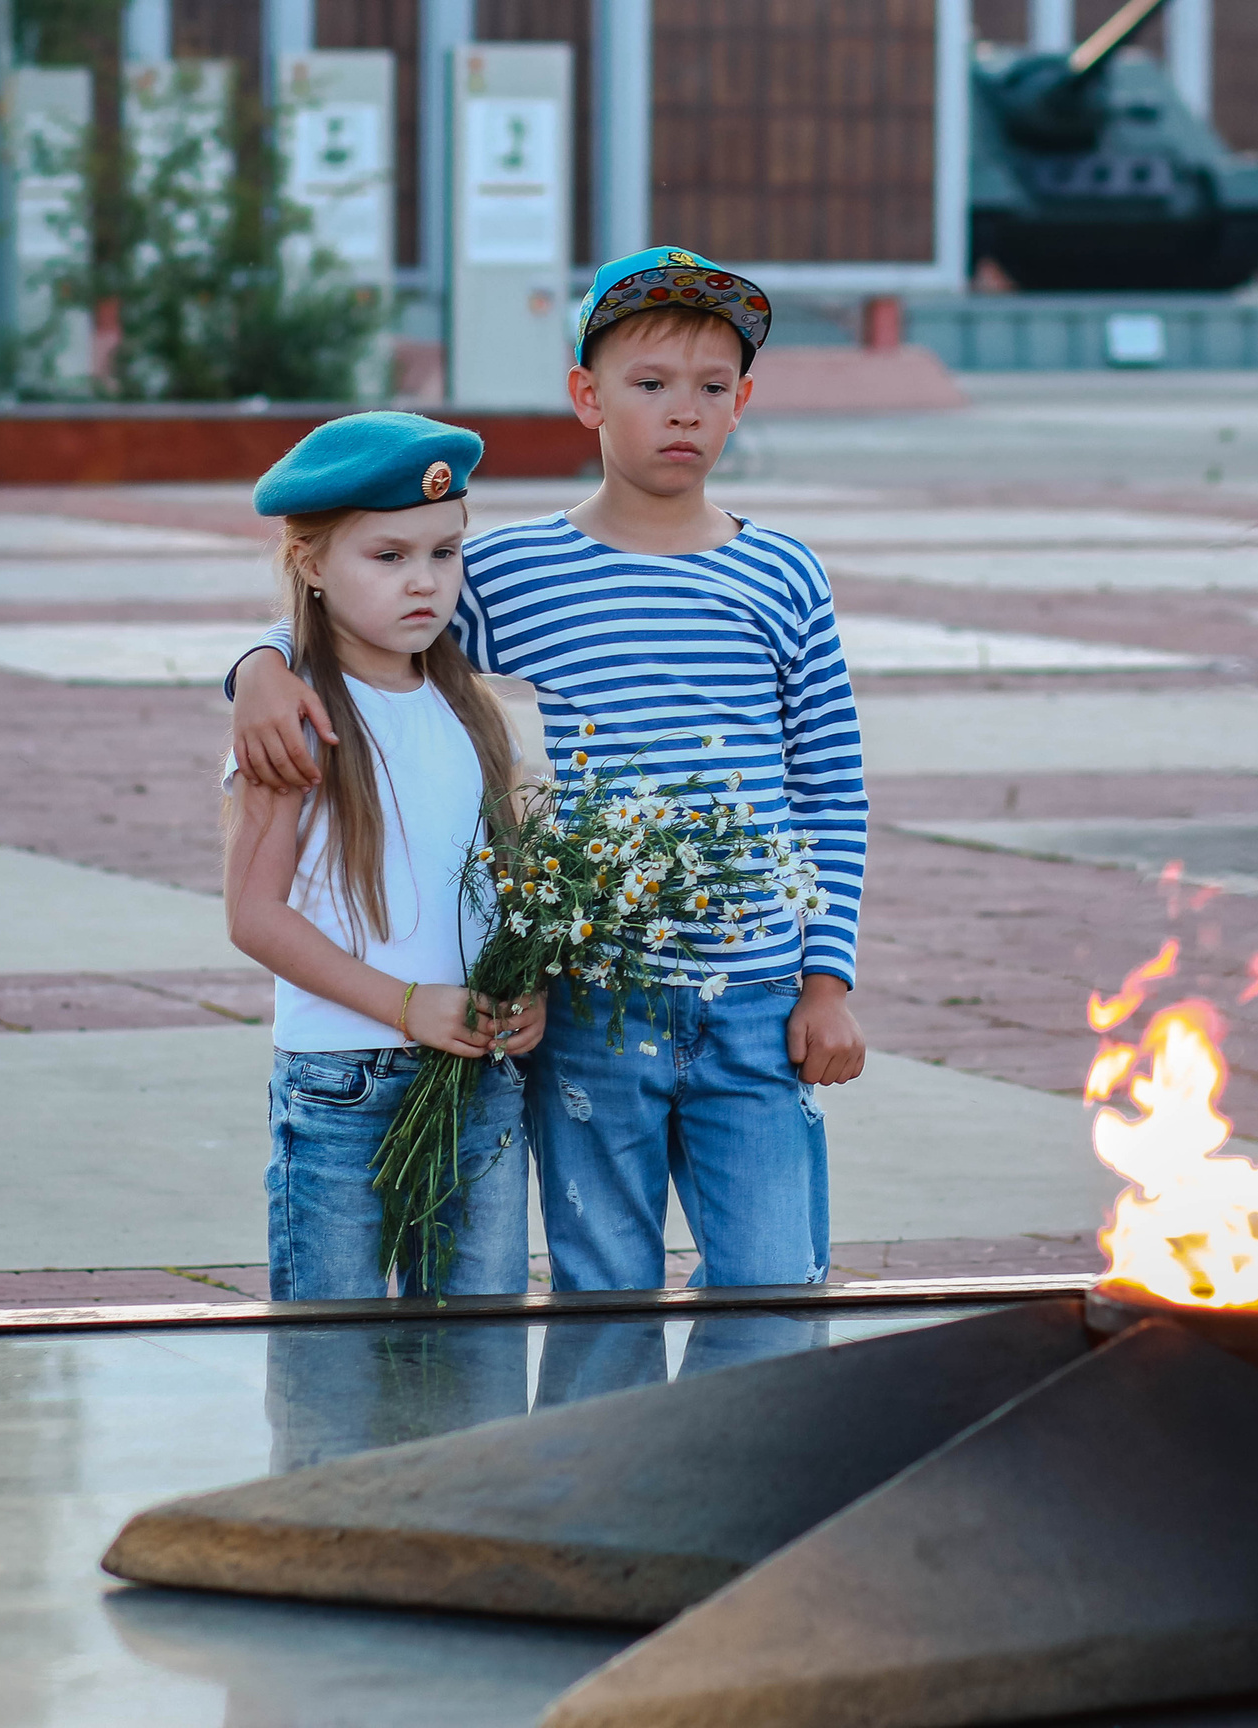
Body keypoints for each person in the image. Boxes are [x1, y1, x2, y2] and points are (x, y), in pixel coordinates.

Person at [226, 246, 869, 1293]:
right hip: (590, 1005)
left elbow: (832, 789)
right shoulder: (514, 573)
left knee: (772, 1286)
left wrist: (825, 980)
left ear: (743, 401)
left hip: (757, 1001)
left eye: (712, 389)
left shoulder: (784, 572)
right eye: (649, 385)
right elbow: (367, 612)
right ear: (586, 397)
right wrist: (256, 665)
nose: (683, 413)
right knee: (600, 1290)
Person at [220, 411, 546, 1300]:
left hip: (476, 1078)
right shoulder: (296, 717)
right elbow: (254, 915)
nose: (425, 583)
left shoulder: (479, 713)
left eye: (446, 553)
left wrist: (527, 996)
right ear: (312, 565)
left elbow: (511, 894)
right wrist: (408, 1007)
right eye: (389, 556)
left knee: (478, 1361)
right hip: (342, 1090)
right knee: (335, 1381)